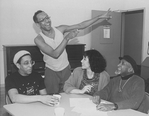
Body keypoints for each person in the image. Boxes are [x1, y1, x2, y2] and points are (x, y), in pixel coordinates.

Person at [33, 9, 111, 95]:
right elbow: (55, 54)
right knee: (52, 96)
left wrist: (99, 17)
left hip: (66, 68)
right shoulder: (38, 39)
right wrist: (67, 38)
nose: (47, 21)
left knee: (69, 93)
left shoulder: (60, 29)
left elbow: (81, 25)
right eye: (42, 20)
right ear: (37, 24)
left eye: (47, 17)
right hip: (51, 71)